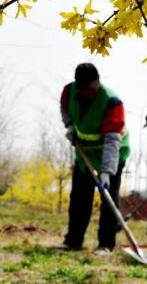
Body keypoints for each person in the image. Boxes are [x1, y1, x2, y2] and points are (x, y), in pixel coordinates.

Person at [58, 63, 130, 255]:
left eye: (96, 85)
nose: (94, 90)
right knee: (79, 198)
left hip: (113, 153)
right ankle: (73, 241)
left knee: (109, 199)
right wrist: (69, 126)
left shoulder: (112, 102)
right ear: (80, 87)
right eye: (90, 88)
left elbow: (113, 139)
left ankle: (106, 244)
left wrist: (106, 172)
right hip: (85, 153)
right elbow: (65, 109)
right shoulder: (69, 91)